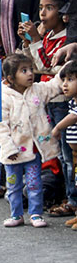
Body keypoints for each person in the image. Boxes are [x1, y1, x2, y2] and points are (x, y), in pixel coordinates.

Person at [0, 54, 63, 227]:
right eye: (24, 71)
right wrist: (9, 148)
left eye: (31, 69)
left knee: (34, 184)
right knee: (13, 186)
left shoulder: (37, 90)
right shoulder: (3, 97)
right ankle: (16, 214)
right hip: (13, 155)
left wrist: (66, 68)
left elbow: (54, 85)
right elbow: (1, 126)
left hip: (33, 151)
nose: (30, 73)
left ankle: (36, 214)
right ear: (10, 78)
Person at [52, 61, 77, 230]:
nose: (65, 84)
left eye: (70, 79)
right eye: (64, 80)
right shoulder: (72, 102)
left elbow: (74, 117)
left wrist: (58, 127)